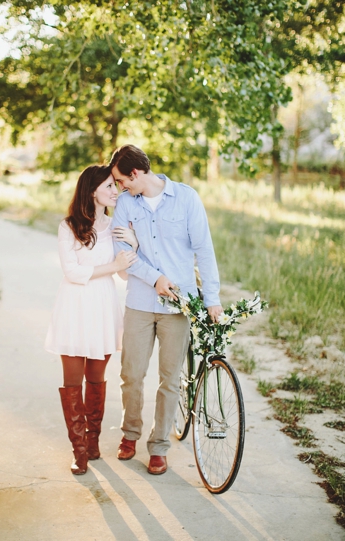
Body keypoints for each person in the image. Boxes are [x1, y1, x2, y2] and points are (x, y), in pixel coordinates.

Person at [109, 144, 221, 476]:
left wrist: (212, 298)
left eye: (120, 180)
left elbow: (204, 249)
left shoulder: (187, 198)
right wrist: (155, 277)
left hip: (179, 305)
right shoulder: (126, 205)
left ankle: (159, 447)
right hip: (140, 303)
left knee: (170, 380)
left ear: (134, 173)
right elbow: (121, 251)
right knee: (131, 374)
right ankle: (130, 434)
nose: (119, 188)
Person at [46, 165, 138, 474]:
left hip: (103, 308)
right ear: (92, 190)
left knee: (96, 379)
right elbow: (71, 273)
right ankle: (80, 450)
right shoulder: (68, 226)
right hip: (73, 308)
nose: (116, 191)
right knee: (72, 382)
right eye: (110, 186)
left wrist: (133, 247)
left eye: (116, 185)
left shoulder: (115, 226)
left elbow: (124, 273)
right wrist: (112, 266)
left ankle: (94, 440)